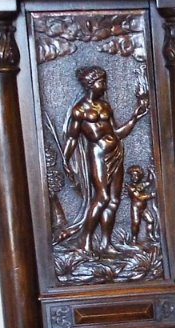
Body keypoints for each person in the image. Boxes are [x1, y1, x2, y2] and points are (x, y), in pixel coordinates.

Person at [63, 67, 149, 253]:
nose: (105, 86)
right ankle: (85, 240)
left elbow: (117, 133)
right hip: (98, 154)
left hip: (115, 152)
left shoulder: (105, 107)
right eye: (102, 82)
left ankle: (106, 243)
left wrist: (135, 117)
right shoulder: (80, 110)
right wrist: (66, 160)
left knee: (114, 200)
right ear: (90, 84)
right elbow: (72, 138)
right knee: (101, 197)